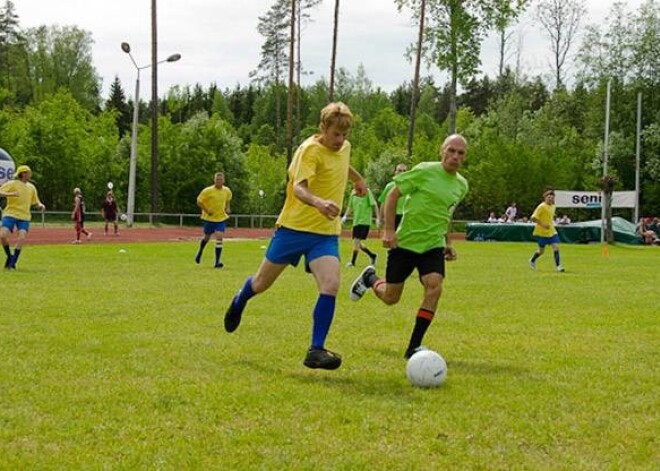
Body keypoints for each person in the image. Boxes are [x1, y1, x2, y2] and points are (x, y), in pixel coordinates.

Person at [223, 102, 366, 370]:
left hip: (324, 234)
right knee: (262, 283)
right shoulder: (308, 151)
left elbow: (343, 163)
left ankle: (316, 349)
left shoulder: (343, 147)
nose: (340, 140)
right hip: (294, 229)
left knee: (331, 284)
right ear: (323, 127)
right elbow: (299, 189)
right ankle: (240, 299)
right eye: (336, 134)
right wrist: (320, 203)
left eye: (345, 135)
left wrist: (358, 179)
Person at [349, 134, 469, 360]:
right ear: (441, 150)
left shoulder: (462, 185)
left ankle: (413, 346)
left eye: (460, 153)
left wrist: (448, 243)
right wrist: (389, 230)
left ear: (465, 157)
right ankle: (371, 279)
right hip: (405, 243)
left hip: (432, 245)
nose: (455, 156)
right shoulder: (424, 170)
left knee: (435, 287)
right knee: (391, 298)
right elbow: (394, 195)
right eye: (451, 150)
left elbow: (446, 215)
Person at [0, 165, 45, 269]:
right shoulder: (12, 183)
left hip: (24, 216)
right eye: (29, 172)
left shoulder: (31, 187)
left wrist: (41, 205)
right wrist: (10, 194)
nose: (31, 174)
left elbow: (36, 202)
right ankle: (9, 256)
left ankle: (12, 262)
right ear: (23, 173)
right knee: (2, 236)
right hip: (10, 213)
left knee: (22, 238)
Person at [195, 172, 232, 268]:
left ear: (223, 180)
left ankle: (217, 262)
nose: (219, 181)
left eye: (220, 180)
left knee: (219, 236)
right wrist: (207, 210)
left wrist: (227, 208)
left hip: (221, 218)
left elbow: (228, 200)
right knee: (207, 237)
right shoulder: (208, 191)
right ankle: (200, 251)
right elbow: (199, 201)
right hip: (209, 218)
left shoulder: (227, 191)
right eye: (217, 180)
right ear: (214, 180)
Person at [341, 186, 379, 267]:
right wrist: (345, 216)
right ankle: (372, 255)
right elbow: (349, 206)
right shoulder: (353, 193)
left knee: (356, 242)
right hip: (356, 221)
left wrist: (377, 218)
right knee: (357, 243)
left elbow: (374, 204)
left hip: (364, 221)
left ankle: (353, 262)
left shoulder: (367, 191)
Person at [528, 189, 565, 272]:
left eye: (552, 197)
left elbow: (550, 215)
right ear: (545, 198)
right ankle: (532, 260)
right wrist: (543, 224)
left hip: (551, 231)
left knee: (556, 247)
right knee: (541, 251)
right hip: (541, 232)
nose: (550, 199)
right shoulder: (541, 206)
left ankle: (558, 266)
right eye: (549, 197)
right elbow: (533, 218)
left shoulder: (553, 206)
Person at [378, 163, 408, 229]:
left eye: (404, 171)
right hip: (392, 215)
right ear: (395, 172)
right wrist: (380, 219)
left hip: (405, 215)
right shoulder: (389, 186)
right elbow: (383, 203)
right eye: (400, 170)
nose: (402, 172)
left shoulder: (410, 186)